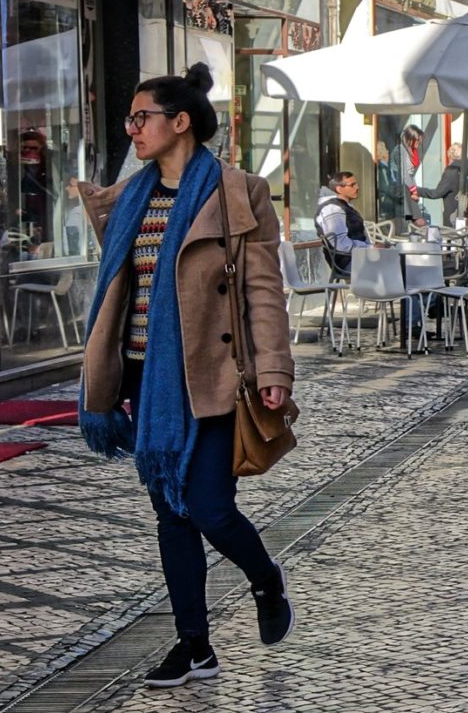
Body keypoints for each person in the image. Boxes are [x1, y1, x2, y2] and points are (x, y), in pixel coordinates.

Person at [74, 64, 297, 689]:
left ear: (181, 123)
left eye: (141, 118)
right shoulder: (130, 200)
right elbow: (119, 295)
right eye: (130, 120)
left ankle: (265, 579)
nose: (132, 130)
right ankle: (195, 647)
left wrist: (275, 366)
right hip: (146, 382)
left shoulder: (237, 192)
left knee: (208, 508)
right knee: (171, 515)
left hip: (214, 377)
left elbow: (262, 291)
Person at [315, 172, 370, 279]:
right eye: (352, 185)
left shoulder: (342, 206)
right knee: (400, 265)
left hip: (358, 258)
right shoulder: (332, 208)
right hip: (348, 263)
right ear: (339, 189)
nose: (357, 187)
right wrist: (370, 248)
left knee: (399, 260)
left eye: (356, 184)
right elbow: (341, 244)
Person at [417, 144, 468, 227]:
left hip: (454, 219)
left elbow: (436, 193)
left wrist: (417, 190)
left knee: (456, 239)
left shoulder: (452, 172)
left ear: (450, 156)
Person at [392, 124, 428, 229]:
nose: (419, 143)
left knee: (416, 217)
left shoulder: (411, 151)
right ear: (409, 139)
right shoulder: (400, 151)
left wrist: (415, 190)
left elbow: (410, 175)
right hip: (401, 187)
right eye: (417, 140)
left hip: (408, 186)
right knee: (416, 219)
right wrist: (413, 190)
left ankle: (413, 222)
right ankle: (413, 221)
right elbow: (404, 175)